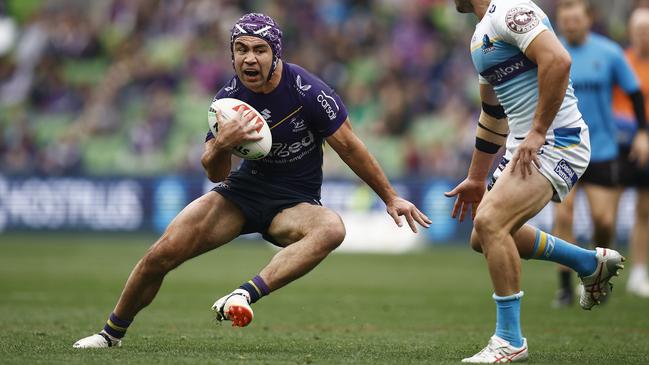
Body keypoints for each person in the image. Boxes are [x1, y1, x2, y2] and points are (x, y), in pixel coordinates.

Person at [73, 13, 431, 349]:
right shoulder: (228, 100)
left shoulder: (308, 92)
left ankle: (244, 294)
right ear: (231, 55)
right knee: (160, 254)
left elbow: (351, 148)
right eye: (241, 49)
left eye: (259, 50)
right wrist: (223, 145)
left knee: (332, 229)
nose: (249, 58)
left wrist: (390, 196)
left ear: (276, 54)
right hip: (242, 195)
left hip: (294, 201)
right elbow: (216, 173)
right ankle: (110, 334)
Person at [446, 0, 625, 362]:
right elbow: (494, 112)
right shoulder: (479, 36)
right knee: (482, 237)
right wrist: (476, 176)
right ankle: (588, 263)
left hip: (558, 140)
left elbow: (558, 60)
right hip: (525, 146)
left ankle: (510, 340)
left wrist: (539, 130)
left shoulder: (511, 10)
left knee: (491, 221)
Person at [550, 0, 649, 307]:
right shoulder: (551, 52)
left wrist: (643, 133)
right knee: (563, 215)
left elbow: (634, 93)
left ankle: (597, 277)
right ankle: (565, 286)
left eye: (575, 18)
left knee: (603, 221)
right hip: (563, 148)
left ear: (588, 19)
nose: (570, 24)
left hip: (602, 149)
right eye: (565, 19)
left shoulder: (609, 53)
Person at [613, 7, 649, 297]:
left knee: (644, 210)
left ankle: (638, 272)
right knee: (606, 210)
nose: (643, 36)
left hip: (646, 142)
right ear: (631, 31)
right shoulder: (620, 61)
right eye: (639, 30)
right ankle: (601, 268)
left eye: (647, 31)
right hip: (617, 143)